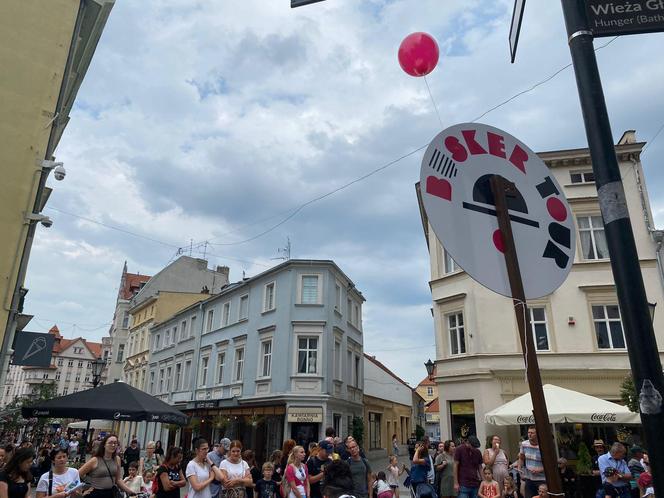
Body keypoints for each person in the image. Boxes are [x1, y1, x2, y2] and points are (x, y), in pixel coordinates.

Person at [518, 427, 545, 498]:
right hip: (529, 477)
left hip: (541, 478)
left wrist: (540, 470)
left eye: (532, 433)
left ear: (537, 434)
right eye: (528, 432)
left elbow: (550, 464)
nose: (529, 434)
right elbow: (521, 458)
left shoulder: (543, 445)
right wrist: (519, 469)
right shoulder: (524, 444)